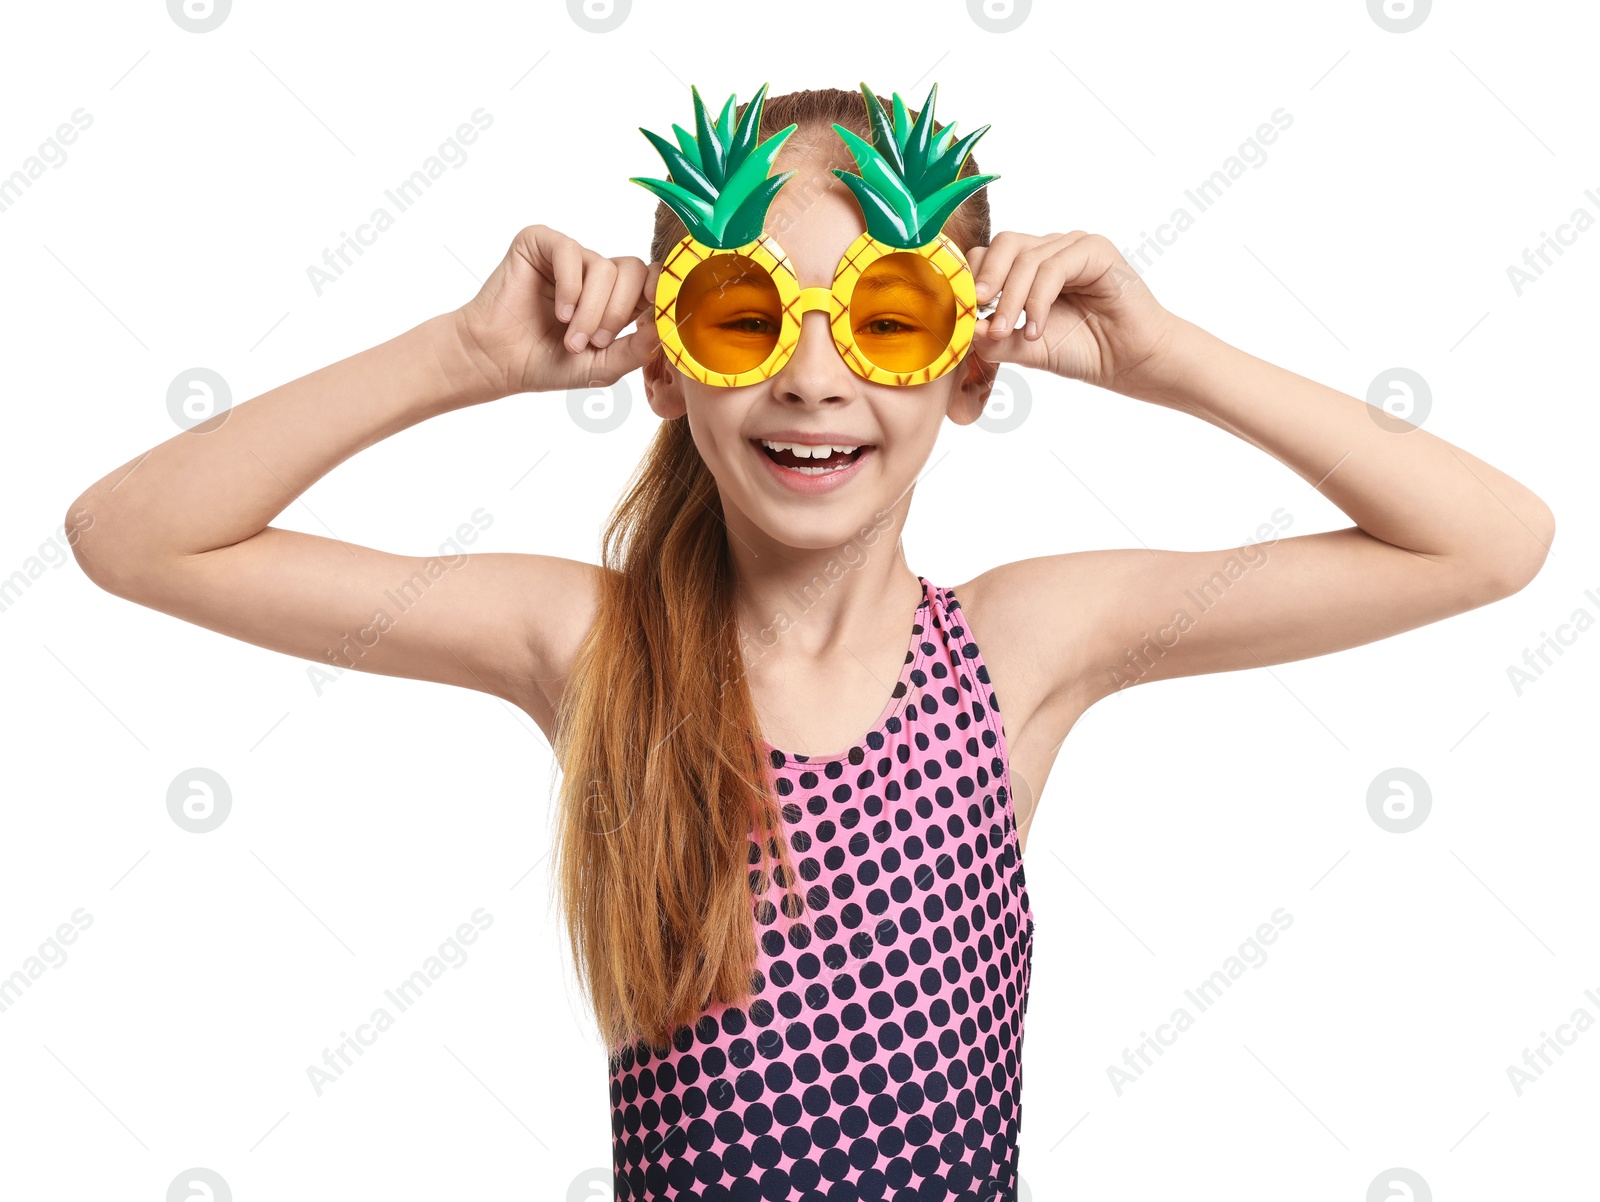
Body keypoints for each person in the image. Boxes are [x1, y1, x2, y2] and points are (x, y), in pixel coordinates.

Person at [67, 82, 1554, 1201]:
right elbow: (134, 536)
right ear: (669, 365)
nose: (813, 382)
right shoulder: (597, 648)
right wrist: (459, 358)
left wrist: (1167, 360)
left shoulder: (1019, 651)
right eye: (746, 317)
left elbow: (1487, 541)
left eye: (885, 320)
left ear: (965, 370)